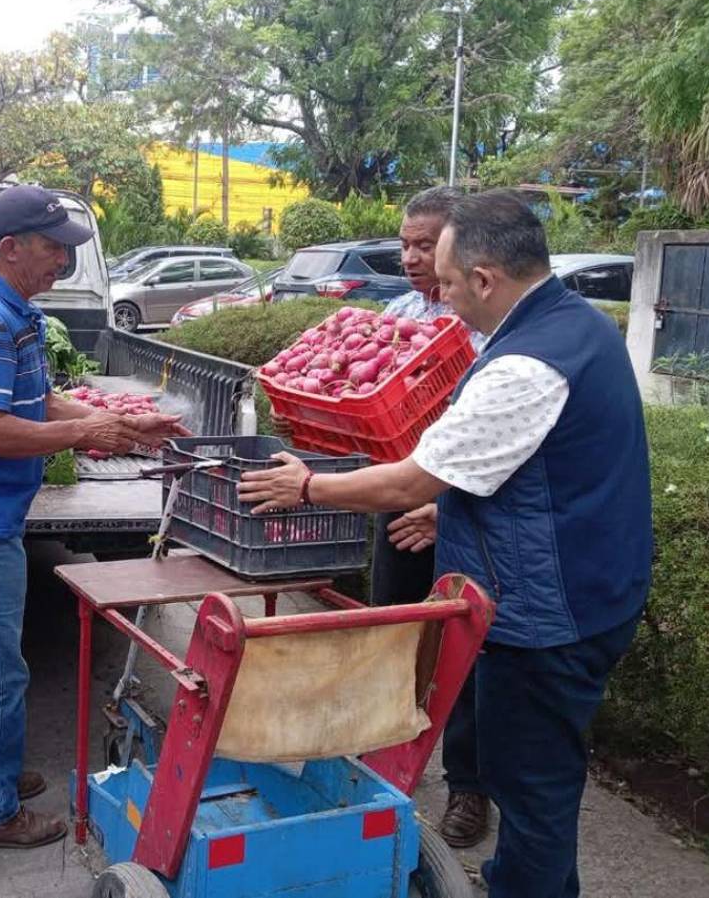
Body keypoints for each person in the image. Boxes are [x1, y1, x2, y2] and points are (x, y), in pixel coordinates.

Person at [238, 190, 651, 898]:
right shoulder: (579, 325)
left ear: (486, 279)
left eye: (452, 284)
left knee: (530, 787)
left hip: (548, 619)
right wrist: (449, 511)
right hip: (592, 590)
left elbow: (408, 481)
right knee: (539, 778)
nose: (445, 299)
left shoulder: (523, 366)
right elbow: (532, 468)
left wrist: (308, 487)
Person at [0, 185, 189, 851]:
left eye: (68, 251)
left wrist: (119, 421)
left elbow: (36, 399)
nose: (62, 263)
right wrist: (84, 432)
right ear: (10, 249)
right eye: (52, 249)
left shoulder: (14, 311)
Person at [373, 186, 490, 849]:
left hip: (464, 514)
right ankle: (385, 758)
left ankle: (470, 786)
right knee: (394, 633)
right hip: (399, 506)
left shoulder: (486, 328)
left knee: (466, 647)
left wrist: (444, 505)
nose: (413, 257)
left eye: (427, 244)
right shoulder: (394, 314)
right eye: (407, 243)